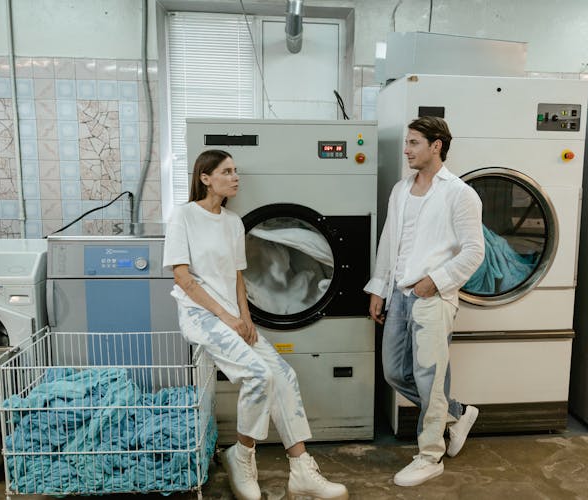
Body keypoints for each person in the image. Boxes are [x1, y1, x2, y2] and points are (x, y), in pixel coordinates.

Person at [163, 149, 348, 500]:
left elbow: (237, 278)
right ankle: (241, 456)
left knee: (283, 375)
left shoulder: (233, 221)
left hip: (233, 316)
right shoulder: (183, 217)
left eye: (236, 171)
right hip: (201, 316)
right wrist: (228, 318)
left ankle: (302, 470)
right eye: (227, 171)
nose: (236, 177)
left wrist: (246, 319)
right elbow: (184, 278)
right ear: (205, 178)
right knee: (257, 376)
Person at [365, 116, 486, 487]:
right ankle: (458, 413)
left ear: (437, 146)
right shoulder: (402, 189)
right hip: (400, 295)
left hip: (433, 297)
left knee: (429, 378)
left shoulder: (460, 193)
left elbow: (474, 251)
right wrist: (378, 288)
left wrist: (435, 282)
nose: (406, 150)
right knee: (394, 372)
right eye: (406, 142)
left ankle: (429, 455)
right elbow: (390, 242)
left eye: (414, 143)